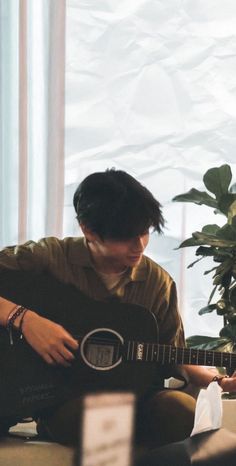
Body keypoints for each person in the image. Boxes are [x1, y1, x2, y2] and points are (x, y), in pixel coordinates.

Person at [0, 169, 236, 447]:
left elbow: (173, 353)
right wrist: (25, 319)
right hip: (65, 397)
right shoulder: (49, 258)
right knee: (105, 420)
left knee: (183, 412)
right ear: (88, 228)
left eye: (145, 232)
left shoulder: (156, 281)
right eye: (125, 236)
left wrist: (217, 380)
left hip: (136, 393)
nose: (139, 246)